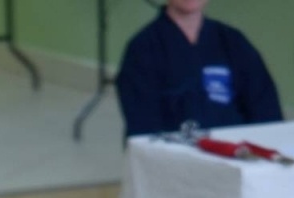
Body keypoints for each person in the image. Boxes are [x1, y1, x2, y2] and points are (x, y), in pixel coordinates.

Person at [116, 0, 283, 138]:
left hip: (235, 154)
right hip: (173, 159)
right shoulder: (142, 49)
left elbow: (266, 110)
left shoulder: (232, 42)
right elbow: (143, 126)